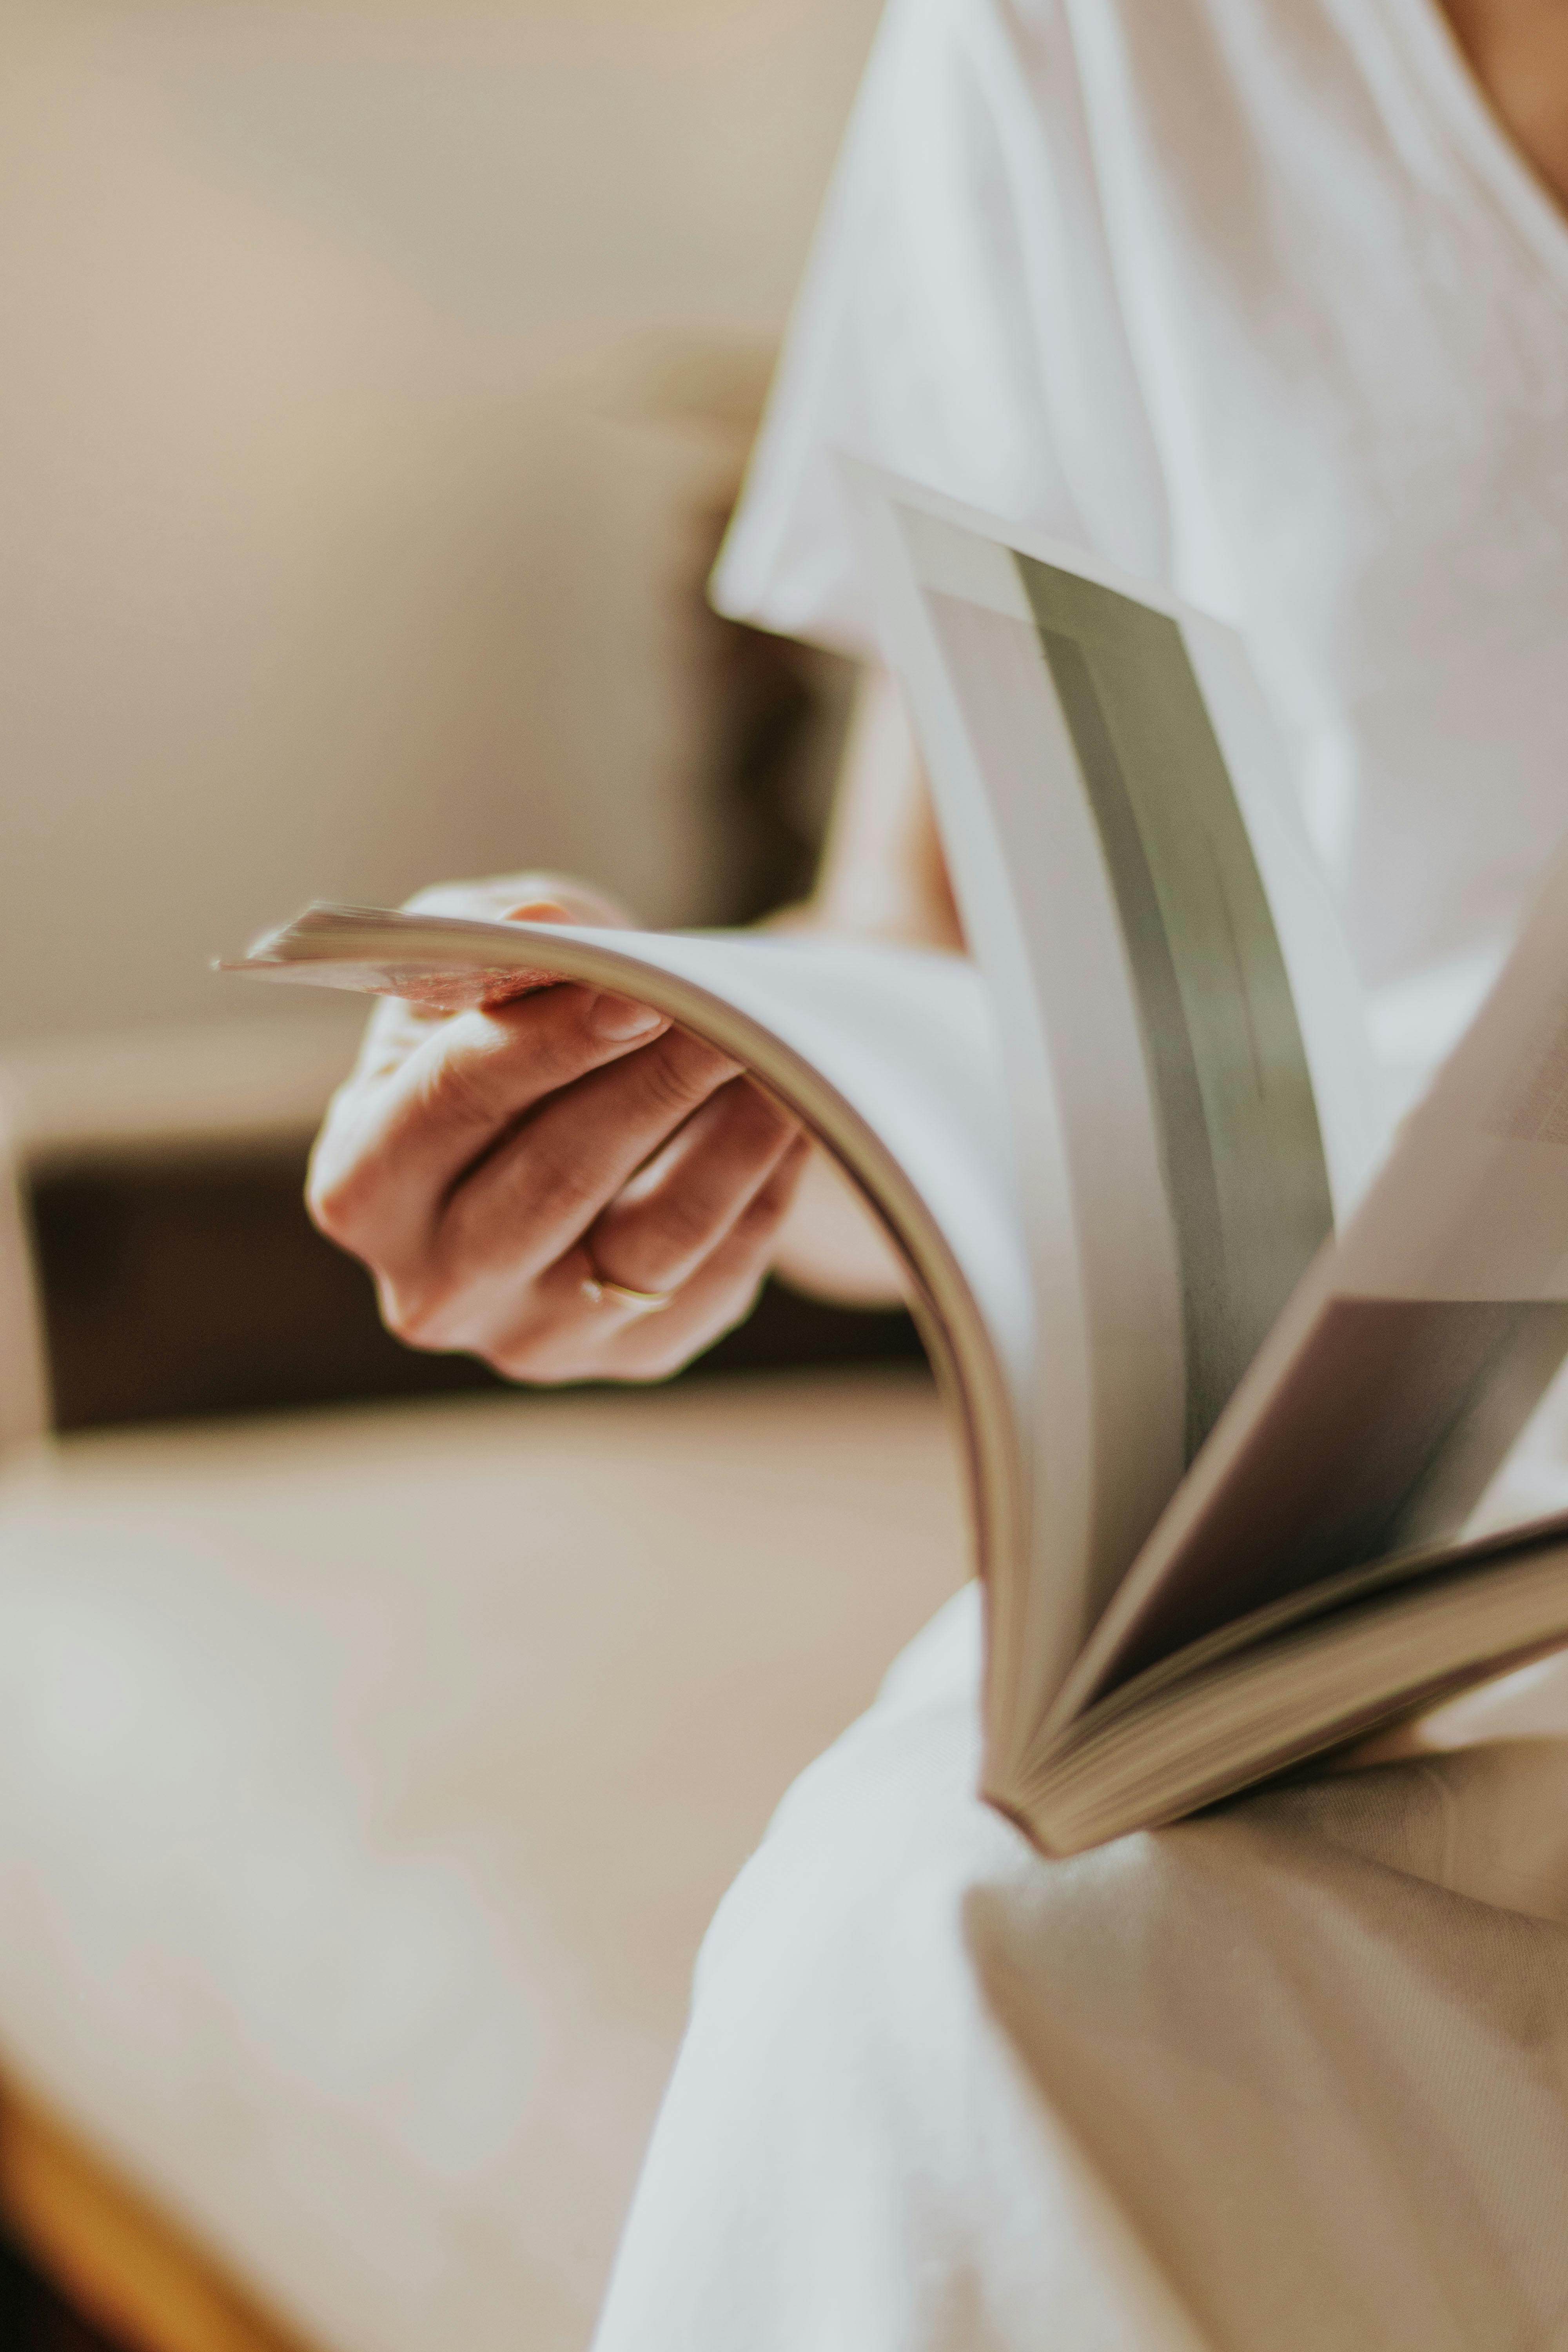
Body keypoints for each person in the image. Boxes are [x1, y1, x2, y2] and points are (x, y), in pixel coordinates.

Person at [308, 0, 1568, 2343]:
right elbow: (946, 955)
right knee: (940, 1937)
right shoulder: (1089, 48)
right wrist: (678, 1110)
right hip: (1412, 1533)